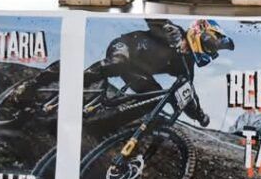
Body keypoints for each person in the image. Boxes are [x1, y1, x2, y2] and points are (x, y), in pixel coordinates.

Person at [83, 19, 234, 127]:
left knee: (154, 99)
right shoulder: (173, 31)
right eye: (211, 45)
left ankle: (103, 127)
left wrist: (200, 116)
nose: (211, 50)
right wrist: (165, 26)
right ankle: (77, 81)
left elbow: (187, 94)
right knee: (118, 63)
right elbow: (152, 18)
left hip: (137, 71)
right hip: (125, 48)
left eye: (213, 49)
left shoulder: (186, 64)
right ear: (200, 33)